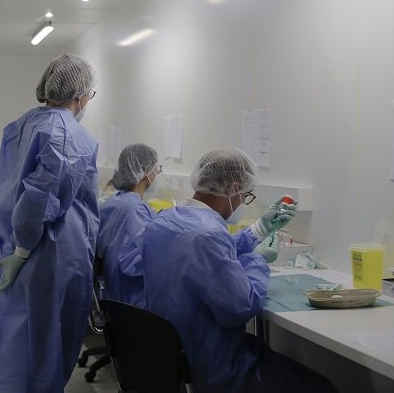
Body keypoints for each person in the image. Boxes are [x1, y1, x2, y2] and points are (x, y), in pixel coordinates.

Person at [119, 148, 338, 392]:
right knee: (321, 386)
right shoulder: (209, 235)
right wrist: (257, 261)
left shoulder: (167, 221)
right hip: (212, 368)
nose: (245, 201)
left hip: (167, 361)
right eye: (247, 195)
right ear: (233, 188)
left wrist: (259, 230)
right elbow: (240, 307)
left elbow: (204, 258)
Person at [0, 53, 100, 392]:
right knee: (47, 343)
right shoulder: (67, 133)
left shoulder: (24, 123)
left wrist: (17, 246)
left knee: (12, 337)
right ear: (81, 95)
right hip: (48, 251)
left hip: (16, 245)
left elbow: (15, 188)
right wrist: (23, 249)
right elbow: (41, 196)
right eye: (90, 94)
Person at [96, 143, 159, 302]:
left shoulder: (112, 202)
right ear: (145, 170)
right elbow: (138, 262)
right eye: (156, 169)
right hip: (132, 299)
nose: (157, 173)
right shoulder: (135, 210)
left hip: (109, 295)